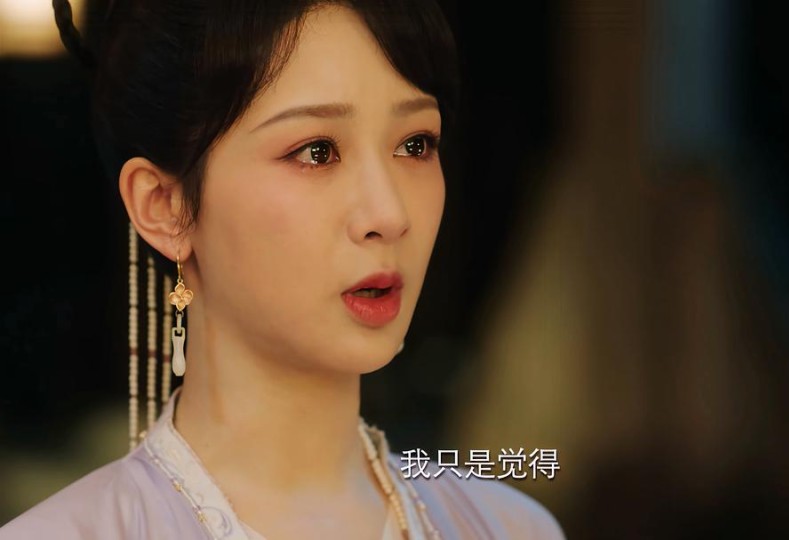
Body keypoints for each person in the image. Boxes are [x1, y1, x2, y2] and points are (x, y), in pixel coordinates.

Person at [0, 0, 564, 538]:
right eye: (317, 151)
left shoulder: (512, 529)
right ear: (164, 206)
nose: (389, 214)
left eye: (415, 144)